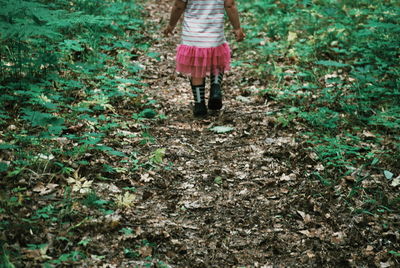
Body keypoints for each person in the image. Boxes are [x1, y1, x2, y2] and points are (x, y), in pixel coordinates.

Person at [164, 0, 245, 116]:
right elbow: (230, 4)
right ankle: (215, 87)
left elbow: (178, 6)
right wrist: (237, 28)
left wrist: (171, 25)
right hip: (214, 32)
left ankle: (199, 105)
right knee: (217, 59)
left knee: (197, 68)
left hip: (193, 34)